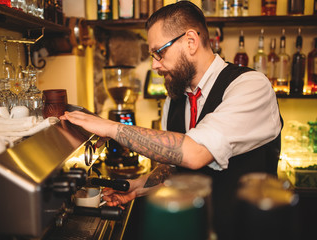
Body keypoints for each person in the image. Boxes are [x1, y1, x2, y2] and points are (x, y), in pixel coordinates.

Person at [60, 1, 282, 239]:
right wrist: (140, 186)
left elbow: (195, 153)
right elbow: (175, 166)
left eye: (160, 52)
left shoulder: (250, 86)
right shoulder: (175, 99)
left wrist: (111, 127)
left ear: (191, 41)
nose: (155, 64)